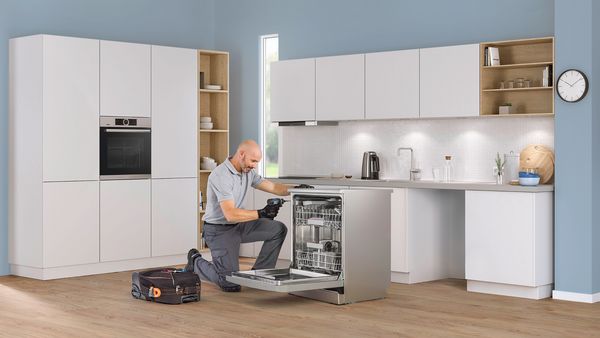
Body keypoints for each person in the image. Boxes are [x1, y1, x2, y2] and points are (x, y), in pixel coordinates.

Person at [185, 140, 290, 292]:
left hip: (240, 226)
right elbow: (230, 214)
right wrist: (262, 213)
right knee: (229, 283)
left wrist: (297, 189)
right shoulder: (221, 175)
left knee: (278, 229)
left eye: (257, 162)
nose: (255, 165)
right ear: (241, 154)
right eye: (253, 161)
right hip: (218, 231)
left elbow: (274, 187)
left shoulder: (248, 172)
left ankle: (259, 274)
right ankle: (195, 262)